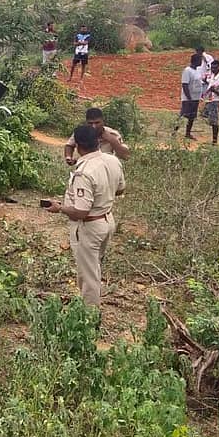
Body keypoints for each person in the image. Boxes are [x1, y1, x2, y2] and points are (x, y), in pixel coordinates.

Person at [45, 124, 125, 307]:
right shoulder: (112, 161)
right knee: (94, 266)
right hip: (107, 220)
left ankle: (89, 315)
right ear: (97, 141)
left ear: (78, 146)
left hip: (90, 227)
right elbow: (121, 189)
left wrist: (59, 208)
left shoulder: (84, 172)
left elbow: (81, 212)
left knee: (88, 276)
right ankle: (90, 305)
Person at [64, 107, 130, 165]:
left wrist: (112, 140)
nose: (94, 126)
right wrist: (68, 157)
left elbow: (126, 156)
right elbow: (69, 145)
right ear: (86, 122)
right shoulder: (82, 133)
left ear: (103, 121)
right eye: (90, 123)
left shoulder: (113, 134)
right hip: (86, 166)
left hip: (106, 166)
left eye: (97, 122)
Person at [176, 53, 205, 140]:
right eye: (200, 60)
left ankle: (188, 133)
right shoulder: (187, 71)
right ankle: (174, 131)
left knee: (192, 116)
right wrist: (189, 98)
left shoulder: (197, 71)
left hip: (196, 98)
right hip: (188, 98)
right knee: (183, 115)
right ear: (195, 61)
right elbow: (185, 85)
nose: (201, 62)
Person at [200, 60, 219, 145]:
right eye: (212, 68)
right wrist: (206, 81)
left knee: (214, 121)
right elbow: (209, 83)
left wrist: (214, 90)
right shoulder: (212, 75)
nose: (213, 69)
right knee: (205, 115)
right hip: (209, 99)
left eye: (215, 68)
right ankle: (214, 139)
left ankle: (214, 141)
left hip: (215, 100)